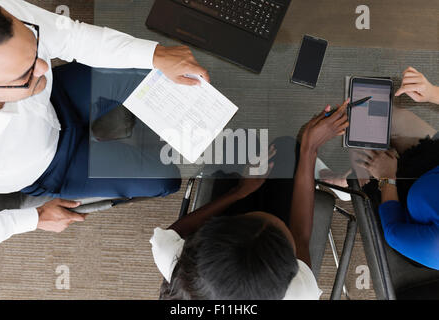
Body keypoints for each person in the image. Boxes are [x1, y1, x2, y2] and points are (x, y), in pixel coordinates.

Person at [0, 0, 210, 247]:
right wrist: (34, 218)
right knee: (165, 180)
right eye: (24, 74)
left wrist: (156, 54)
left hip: (57, 97)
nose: (43, 65)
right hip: (50, 166)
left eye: (35, 46)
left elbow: (72, 36)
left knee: (159, 75)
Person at [150, 101, 349, 299]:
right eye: (278, 229)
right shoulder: (299, 293)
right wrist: (309, 149)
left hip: (228, 230)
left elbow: (173, 233)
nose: (263, 217)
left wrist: (239, 191)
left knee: (239, 140)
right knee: (287, 148)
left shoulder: (171, 258)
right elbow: (299, 236)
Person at [354, 67, 439, 270]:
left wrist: (387, 177)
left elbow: (392, 232)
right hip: (433, 166)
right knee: (376, 109)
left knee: (356, 136)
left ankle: (350, 185)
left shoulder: (434, 246)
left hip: (402, 206)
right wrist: (432, 92)